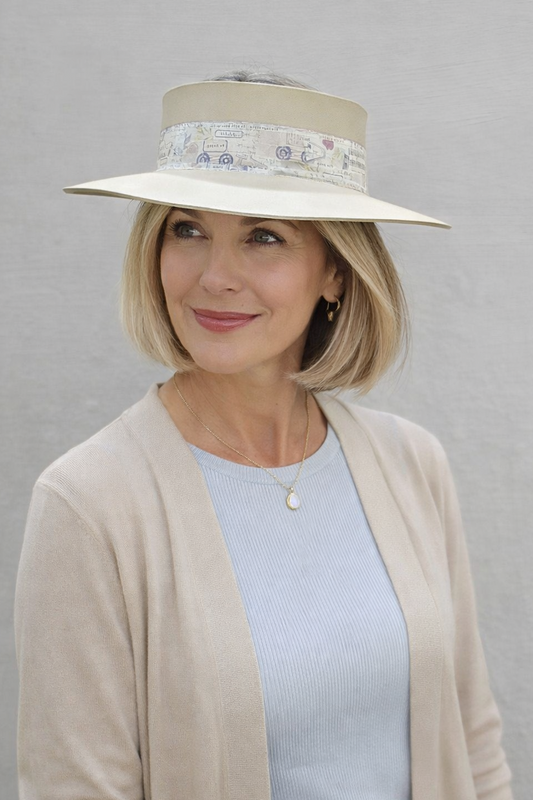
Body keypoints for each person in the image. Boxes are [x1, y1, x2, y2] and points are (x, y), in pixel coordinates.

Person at [14, 70, 514, 800]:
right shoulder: (89, 504)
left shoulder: (413, 466)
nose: (216, 276)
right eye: (187, 229)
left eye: (263, 237)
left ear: (335, 273)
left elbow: (473, 744)